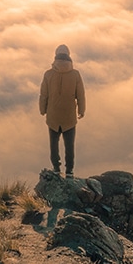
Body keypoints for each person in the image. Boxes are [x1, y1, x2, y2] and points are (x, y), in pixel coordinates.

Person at [39, 44, 86, 178]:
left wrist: (42, 109)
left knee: (53, 144)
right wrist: (81, 110)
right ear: (69, 56)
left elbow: (44, 94)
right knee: (69, 145)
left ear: (55, 56)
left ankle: (56, 168)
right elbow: (80, 94)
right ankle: (70, 171)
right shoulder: (75, 74)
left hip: (53, 115)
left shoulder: (48, 74)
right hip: (69, 116)